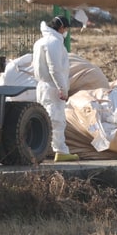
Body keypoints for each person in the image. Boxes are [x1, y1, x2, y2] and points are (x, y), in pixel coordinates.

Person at [33, 15, 79, 162]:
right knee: (57, 119)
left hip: (42, 85)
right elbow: (55, 69)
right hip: (53, 86)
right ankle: (60, 151)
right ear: (61, 28)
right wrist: (62, 88)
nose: (66, 32)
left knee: (46, 118)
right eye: (66, 29)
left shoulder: (40, 42)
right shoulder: (54, 43)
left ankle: (43, 148)